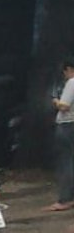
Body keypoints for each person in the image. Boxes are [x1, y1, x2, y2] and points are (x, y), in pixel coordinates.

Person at [43, 59, 74, 212]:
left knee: (65, 163)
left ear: (68, 69)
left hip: (67, 125)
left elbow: (65, 105)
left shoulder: (72, 82)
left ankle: (65, 199)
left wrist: (55, 101)